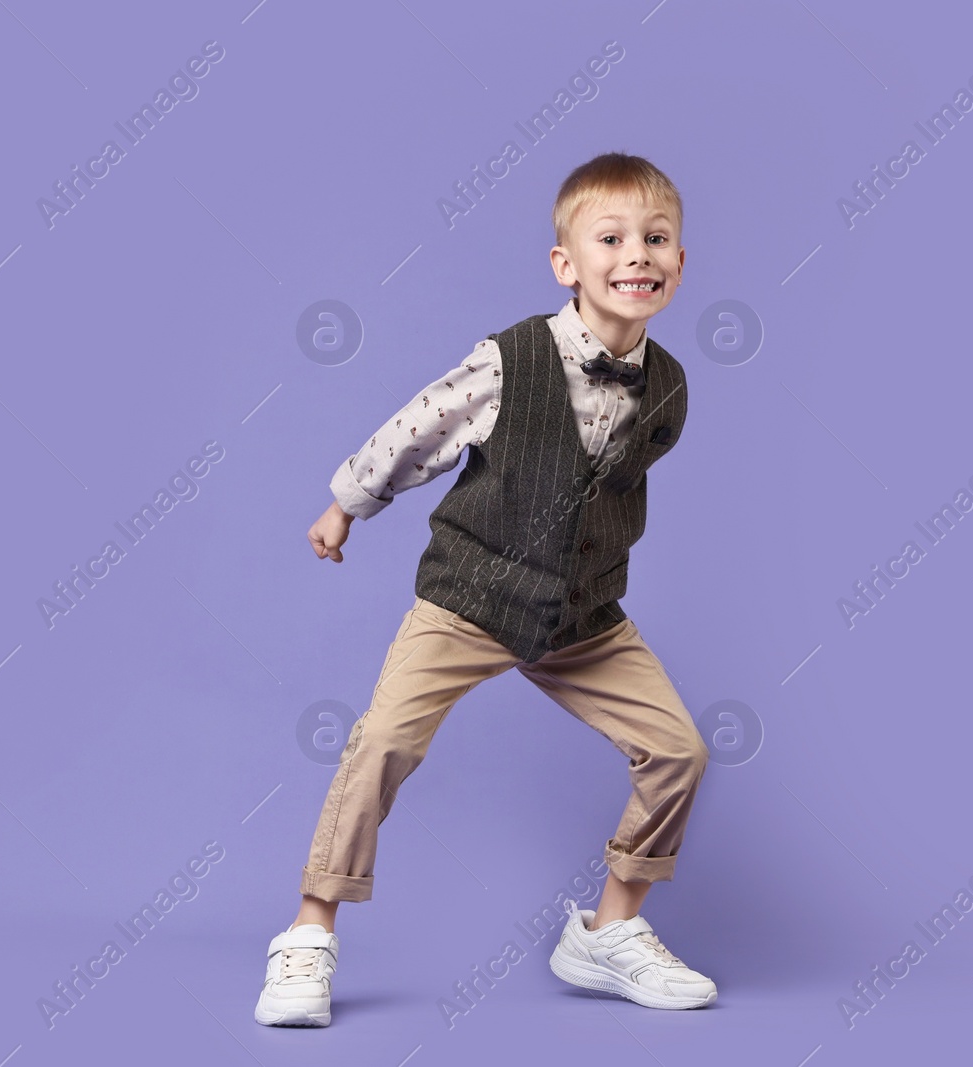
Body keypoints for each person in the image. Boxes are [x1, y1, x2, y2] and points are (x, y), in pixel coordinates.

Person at [256, 152, 715, 1027]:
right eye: (611, 238)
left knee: (681, 750)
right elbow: (419, 428)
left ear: (681, 264)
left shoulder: (670, 388)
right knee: (383, 739)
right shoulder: (512, 360)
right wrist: (347, 503)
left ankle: (608, 931)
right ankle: (309, 931)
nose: (637, 255)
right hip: (472, 596)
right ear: (566, 264)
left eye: (657, 239)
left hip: (581, 614)